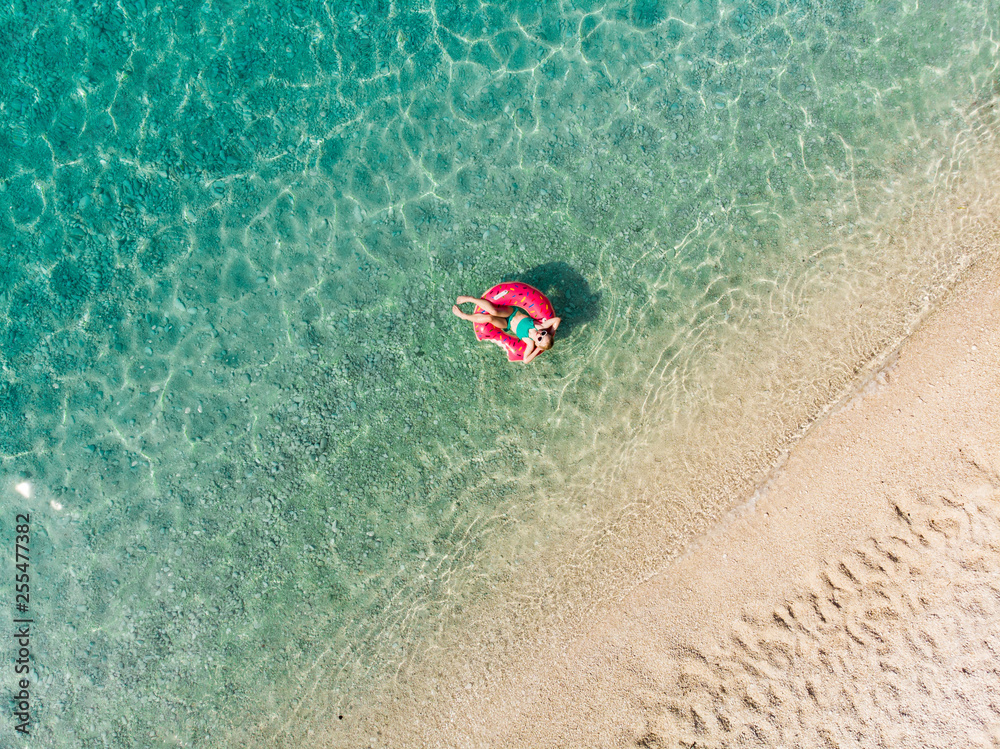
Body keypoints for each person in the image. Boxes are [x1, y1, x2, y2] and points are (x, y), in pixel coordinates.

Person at [452, 295, 561, 363]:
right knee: (494, 312)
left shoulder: (530, 343)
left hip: (506, 324)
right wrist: (550, 333)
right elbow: (557, 320)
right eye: (543, 334)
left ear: (537, 344)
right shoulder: (540, 326)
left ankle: (464, 316)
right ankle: (470, 299)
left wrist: (538, 349)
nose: (540, 335)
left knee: (489, 318)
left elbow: (526, 360)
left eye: (540, 339)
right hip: (512, 312)